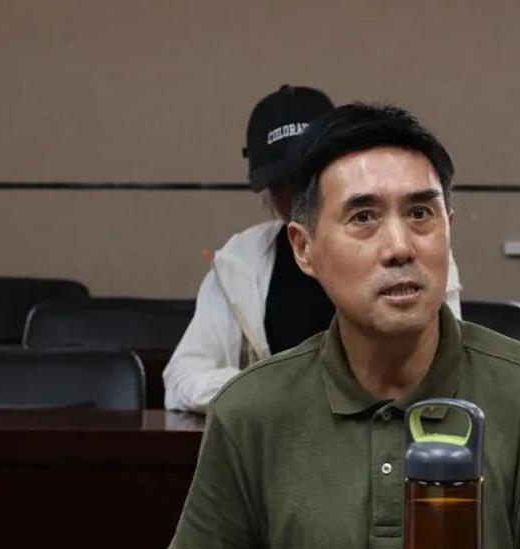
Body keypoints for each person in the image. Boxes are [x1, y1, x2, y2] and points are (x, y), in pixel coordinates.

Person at [162, 104, 520, 549]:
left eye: (420, 214)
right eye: (363, 218)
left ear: (449, 227)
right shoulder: (247, 410)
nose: (400, 247)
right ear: (303, 248)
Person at [163, 85, 463, 412]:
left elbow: (442, 368)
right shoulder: (240, 261)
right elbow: (183, 379)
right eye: (283, 186)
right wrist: (285, 391)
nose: (299, 199)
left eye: (307, 182)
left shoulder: (411, 253)